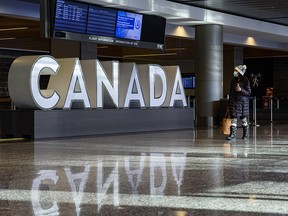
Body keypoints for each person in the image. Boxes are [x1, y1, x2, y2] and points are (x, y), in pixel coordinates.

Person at [226, 64, 251, 140]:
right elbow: (230, 92)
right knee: (233, 117)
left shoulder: (246, 80)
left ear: (240, 72)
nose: (234, 72)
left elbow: (249, 92)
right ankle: (233, 134)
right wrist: (228, 103)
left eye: (236, 71)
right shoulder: (233, 80)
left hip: (243, 103)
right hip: (234, 102)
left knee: (243, 118)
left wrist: (241, 90)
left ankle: (245, 134)